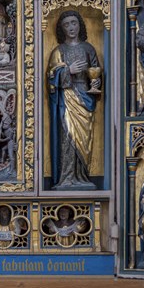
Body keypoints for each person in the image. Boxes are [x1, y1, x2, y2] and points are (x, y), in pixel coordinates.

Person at [48, 10, 101, 190]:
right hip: (67, 98)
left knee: (84, 139)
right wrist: (67, 71)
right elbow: (51, 77)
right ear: (62, 29)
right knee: (68, 137)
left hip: (85, 96)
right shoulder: (58, 51)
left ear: (80, 25)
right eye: (67, 25)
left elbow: (96, 71)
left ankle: (82, 176)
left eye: (74, 23)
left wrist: (96, 80)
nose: (71, 27)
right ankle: (67, 178)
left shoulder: (88, 48)